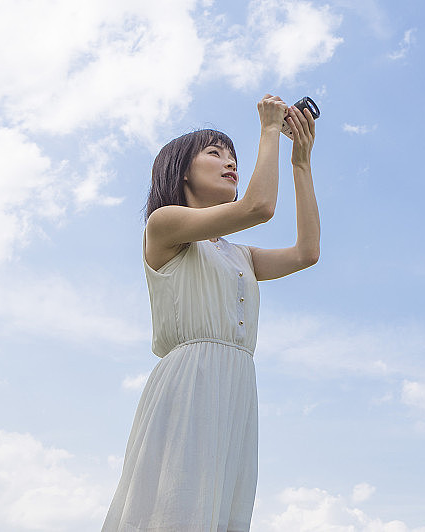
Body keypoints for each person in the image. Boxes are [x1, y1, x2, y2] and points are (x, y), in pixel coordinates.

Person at [101, 94, 320, 531]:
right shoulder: (163, 225)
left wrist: (300, 163)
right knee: (175, 507)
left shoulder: (240, 255)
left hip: (238, 385)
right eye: (214, 153)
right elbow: (259, 207)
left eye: (233, 156)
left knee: (223, 511)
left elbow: (306, 253)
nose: (229, 163)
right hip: (191, 379)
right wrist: (269, 131)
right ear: (181, 169)